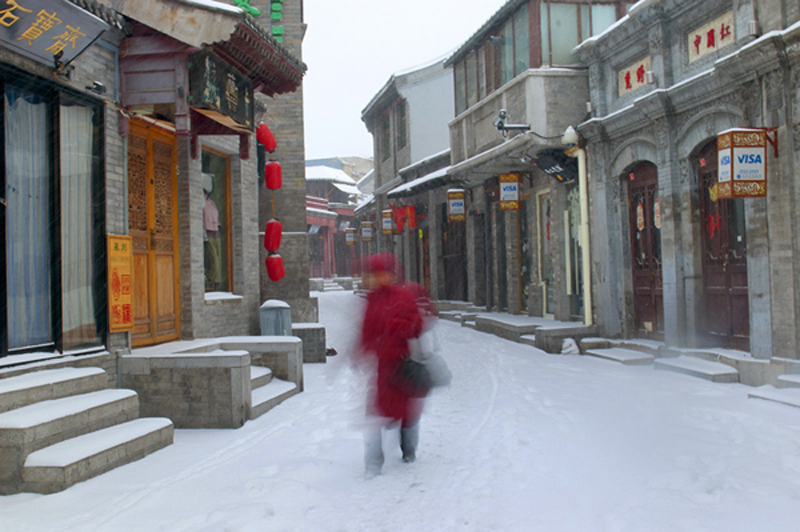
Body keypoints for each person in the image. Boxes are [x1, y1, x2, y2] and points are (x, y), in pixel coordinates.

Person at [357, 252, 424, 477]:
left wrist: (399, 326)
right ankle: (373, 463)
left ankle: (409, 451)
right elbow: (366, 331)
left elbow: (416, 326)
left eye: (381, 273)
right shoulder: (372, 300)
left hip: (401, 365)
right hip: (382, 369)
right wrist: (364, 349)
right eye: (374, 274)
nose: (377, 278)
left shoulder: (403, 296)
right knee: (376, 415)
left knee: (407, 414)